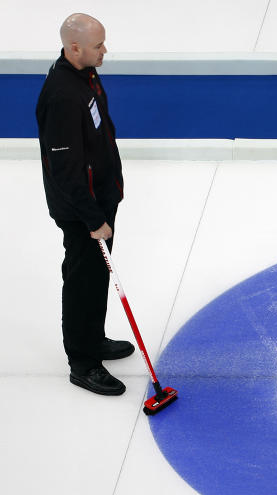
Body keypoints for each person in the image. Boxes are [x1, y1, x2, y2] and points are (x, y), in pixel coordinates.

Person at [37, 13, 133, 396]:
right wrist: (93, 218)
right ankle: (82, 360)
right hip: (82, 211)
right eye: (98, 45)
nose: (104, 50)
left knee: (97, 276)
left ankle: (94, 339)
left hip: (100, 200)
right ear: (74, 48)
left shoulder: (86, 74)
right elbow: (65, 170)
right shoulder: (62, 95)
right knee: (82, 280)